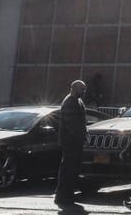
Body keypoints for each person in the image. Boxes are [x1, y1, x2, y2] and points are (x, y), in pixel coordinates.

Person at [55, 79, 87, 210]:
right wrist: (80, 137)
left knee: (73, 170)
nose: (84, 91)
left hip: (75, 142)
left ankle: (68, 194)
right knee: (68, 170)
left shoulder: (78, 101)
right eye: (81, 89)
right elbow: (71, 125)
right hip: (70, 142)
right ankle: (63, 196)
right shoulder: (69, 102)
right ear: (73, 88)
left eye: (84, 89)